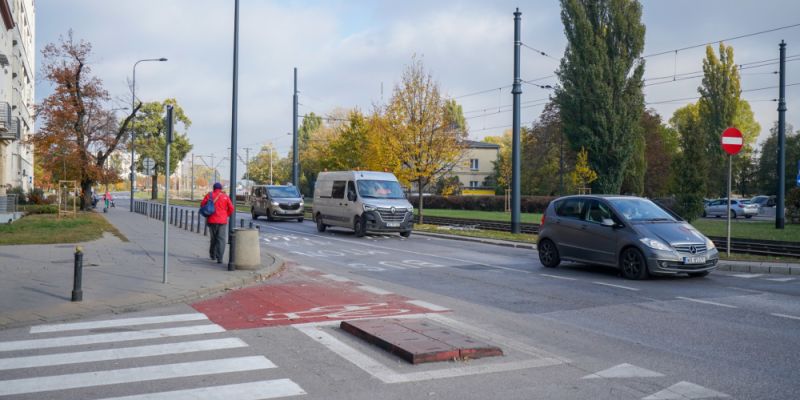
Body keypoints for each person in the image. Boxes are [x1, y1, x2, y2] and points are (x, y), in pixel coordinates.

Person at [201, 182, 235, 264]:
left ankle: (212, 255)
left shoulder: (209, 195)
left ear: (213, 188)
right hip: (222, 221)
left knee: (213, 238)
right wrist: (226, 215)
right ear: (221, 189)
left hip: (212, 219)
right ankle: (220, 258)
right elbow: (231, 208)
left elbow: (202, 205)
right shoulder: (225, 196)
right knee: (221, 239)